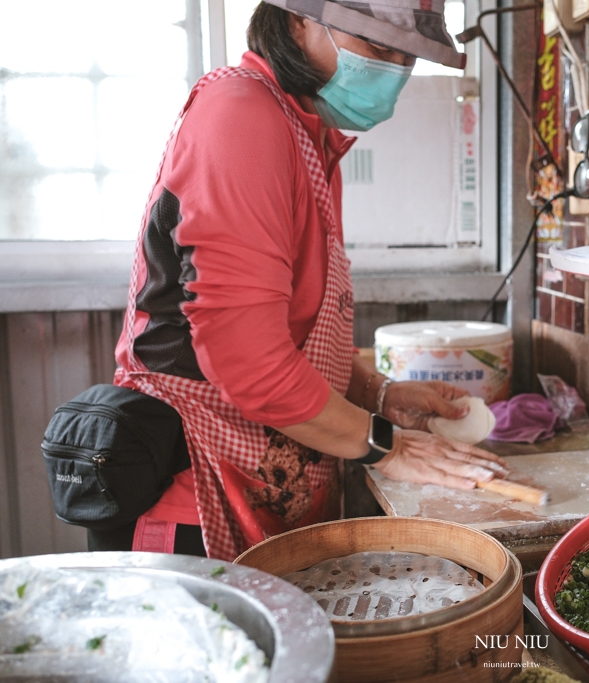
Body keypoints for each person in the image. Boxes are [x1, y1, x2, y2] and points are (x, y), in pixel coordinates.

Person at [100, 0, 507, 560]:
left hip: (264, 484)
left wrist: (381, 395)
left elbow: (297, 335)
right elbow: (250, 360)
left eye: (405, 57)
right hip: (193, 496)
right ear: (296, 19)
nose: (393, 72)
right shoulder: (241, 116)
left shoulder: (305, 133)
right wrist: (387, 447)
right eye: (377, 47)